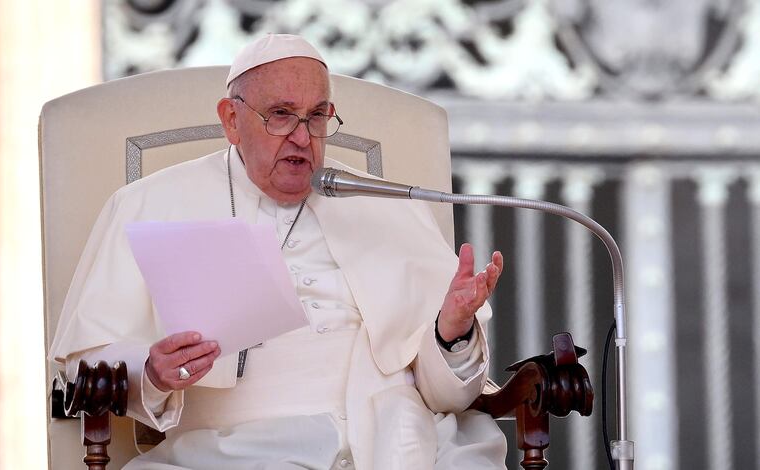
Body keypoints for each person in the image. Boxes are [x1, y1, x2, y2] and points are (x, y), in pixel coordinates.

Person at [49, 34, 507, 469]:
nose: (303, 138)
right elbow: (84, 368)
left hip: (399, 436)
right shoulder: (148, 204)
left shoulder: (384, 204)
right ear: (231, 119)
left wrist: (450, 331)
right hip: (236, 450)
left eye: (317, 116)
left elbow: (446, 394)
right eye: (281, 115)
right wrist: (151, 371)